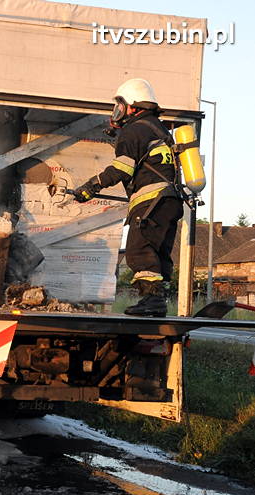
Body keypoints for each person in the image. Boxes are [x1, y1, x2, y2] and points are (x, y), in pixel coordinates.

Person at [73, 78, 182, 317]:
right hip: (171, 201)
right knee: (158, 252)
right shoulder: (161, 130)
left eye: (120, 106)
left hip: (150, 200)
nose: (118, 112)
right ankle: (156, 302)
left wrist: (91, 186)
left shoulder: (134, 130)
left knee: (138, 250)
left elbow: (122, 169)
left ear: (132, 106)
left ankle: (152, 301)